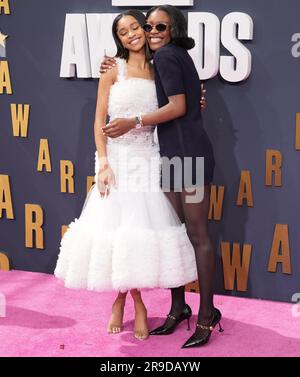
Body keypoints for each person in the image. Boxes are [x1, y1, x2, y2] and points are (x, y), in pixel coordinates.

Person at [54, 9, 197, 341]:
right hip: (116, 162)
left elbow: (177, 103)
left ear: (146, 30)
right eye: (123, 32)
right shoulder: (112, 70)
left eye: (136, 26)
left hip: (147, 161)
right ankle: (136, 301)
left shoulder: (160, 69)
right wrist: (103, 163)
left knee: (136, 234)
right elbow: (98, 122)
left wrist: (198, 98)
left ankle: (123, 299)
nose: (132, 34)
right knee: (118, 232)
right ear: (118, 40)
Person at [100, 5, 223, 348]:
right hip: (172, 158)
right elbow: (184, 98)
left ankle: (206, 314)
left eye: (160, 26)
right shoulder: (165, 59)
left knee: (196, 235)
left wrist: (132, 122)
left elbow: (180, 107)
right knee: (178, 234)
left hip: (189, 159)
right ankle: (179, 308)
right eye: (148, 25)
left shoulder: (168, 56)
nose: (152, 30)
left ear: (173, 29)